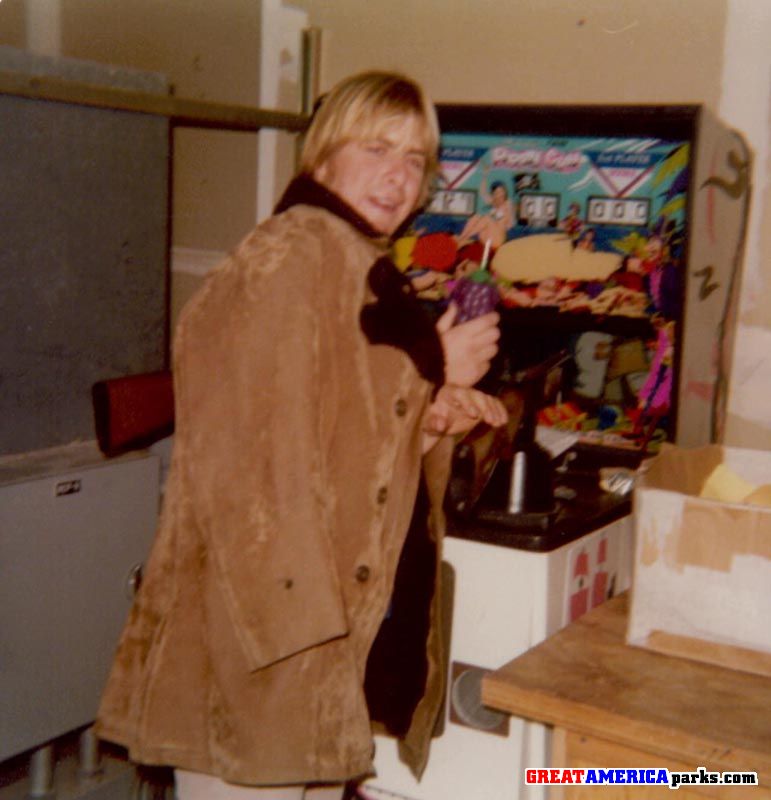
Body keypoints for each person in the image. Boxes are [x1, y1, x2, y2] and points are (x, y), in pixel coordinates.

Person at [95, 71, 505, 800]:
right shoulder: (290, 258)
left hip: (318, 637)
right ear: (322, 156)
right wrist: (433, 366)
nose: (398, 174)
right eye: (377, 147)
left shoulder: (356, 262)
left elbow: (340, 439)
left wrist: (430, 411)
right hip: (264, 641)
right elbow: (249, 460)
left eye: (415, 159)